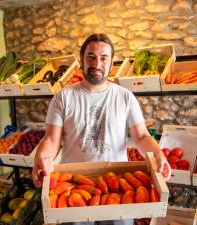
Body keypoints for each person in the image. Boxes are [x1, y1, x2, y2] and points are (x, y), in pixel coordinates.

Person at [32, 33, 171, 225]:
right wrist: (41, 157)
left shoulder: (125, 97)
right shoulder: (63, 97)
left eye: (104, 58)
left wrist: (158, 155)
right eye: (91, 56)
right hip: (73, 185)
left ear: (111, 63)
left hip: (118, 186)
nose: (97, 63)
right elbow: (51, 139)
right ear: (82, 60)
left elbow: (141, 136)